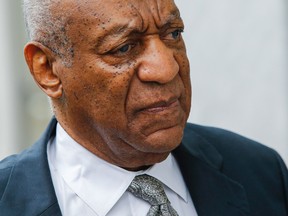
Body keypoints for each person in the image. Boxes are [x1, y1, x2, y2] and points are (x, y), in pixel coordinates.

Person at [0, 0, 287, 215]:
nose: (166, 68)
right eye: (124, 48)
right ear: (47, 70)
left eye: (173, 34)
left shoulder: (258, 171)